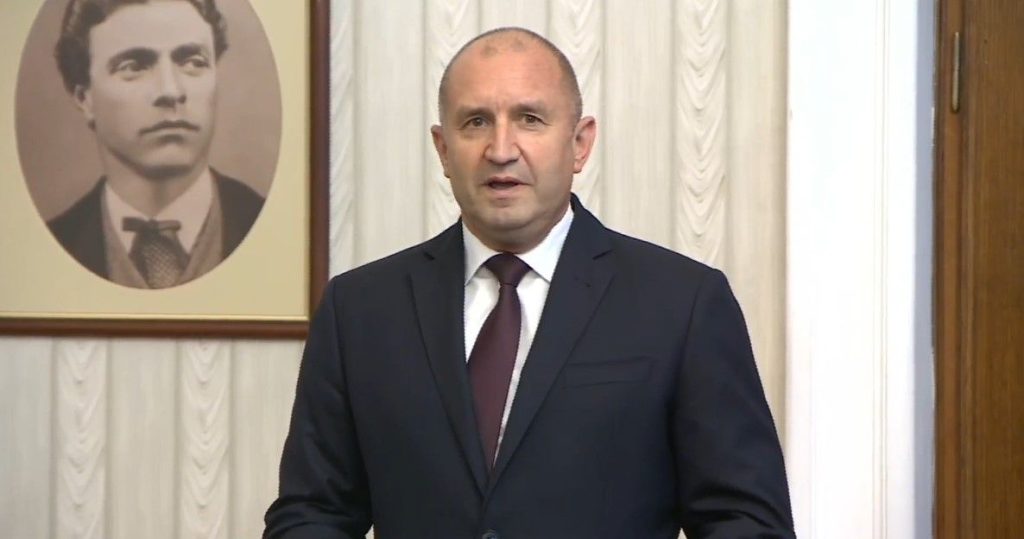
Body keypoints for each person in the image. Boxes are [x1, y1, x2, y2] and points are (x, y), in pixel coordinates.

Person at [265, 27, 794, 538]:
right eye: (475, 122)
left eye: (530, 119)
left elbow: (746, 522)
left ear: (580, 143)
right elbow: (312, 514)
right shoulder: (359, 309)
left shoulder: (682, 304)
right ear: (443, 149)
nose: (501, 148)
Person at [47, 0, 264, 289]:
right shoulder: (51, 248)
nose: (171, 91)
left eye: (193, 62)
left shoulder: (276, 231)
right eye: (134, 66)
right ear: (84, 98)